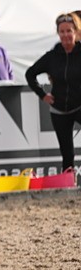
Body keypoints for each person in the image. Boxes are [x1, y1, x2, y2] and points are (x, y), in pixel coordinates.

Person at [26, 13, 81, 171]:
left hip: (79, 105)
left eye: (69, 31)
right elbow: (30, 74)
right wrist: (42, 95)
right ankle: (69, 188)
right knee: (67, 153)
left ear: (76, 32)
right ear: (58, 33)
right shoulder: (52, 56)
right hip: (59, 109)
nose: (65, 35)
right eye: (62, 31)